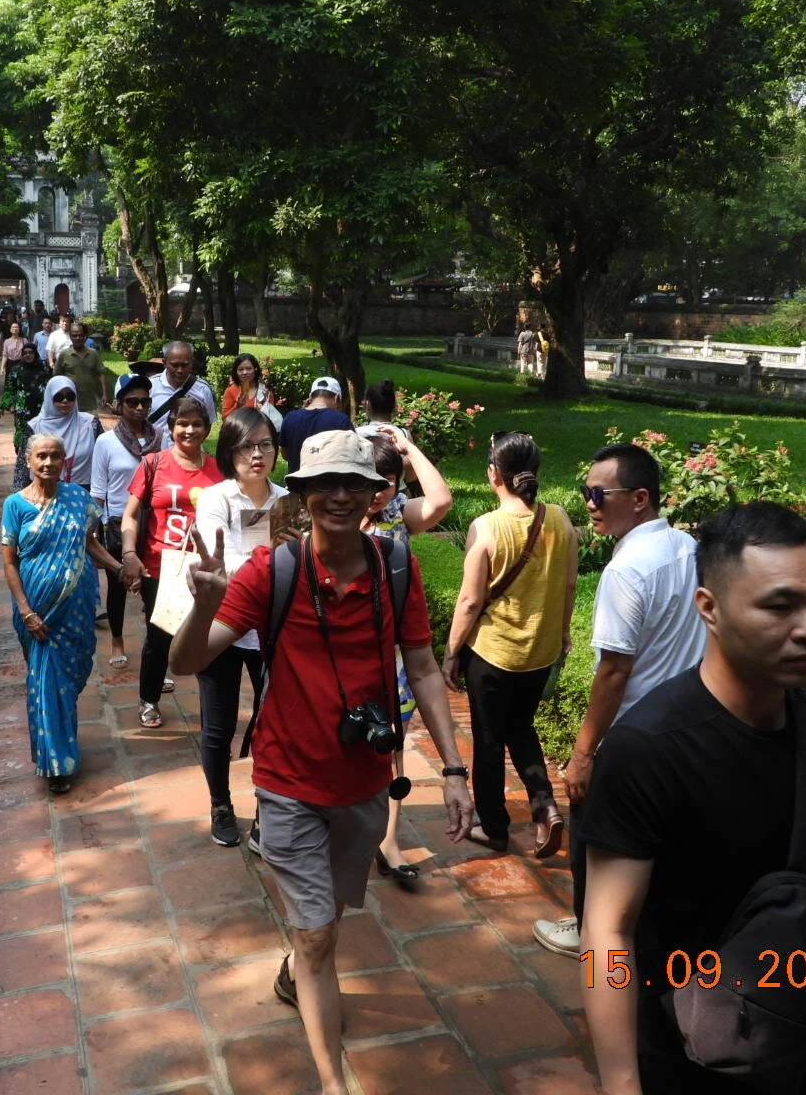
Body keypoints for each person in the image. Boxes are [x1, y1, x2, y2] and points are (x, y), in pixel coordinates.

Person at [168, 430, 475, 1095]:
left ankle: (296, 970)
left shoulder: (397, 567)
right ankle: (334, 1082)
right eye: (323, 484)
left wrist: (454, 769)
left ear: (375, 495)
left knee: (326, 925)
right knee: (317, 938)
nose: (339, 495)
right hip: (287, 784)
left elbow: (421, 664)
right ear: (303, 496)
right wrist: (205, 603)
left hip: (364, 784)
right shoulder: (271, 573)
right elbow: (186, 662)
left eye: (353, 483)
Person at [581, 501, 806, 1095]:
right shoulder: (647, 748)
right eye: (780, 606)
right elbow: (608, 928)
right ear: (708, 609)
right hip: (692, 1042)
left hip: (802, 1018)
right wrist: (620, 1081)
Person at [533, 442, 707, 958]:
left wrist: (583, 753)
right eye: (585, 493)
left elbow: (613, 670)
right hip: (687, 724)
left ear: (639, 498)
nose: (588, 503)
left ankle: (593, 932)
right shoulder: (688, 547)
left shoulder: (626, 570)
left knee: (595, 831)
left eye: (597, 494)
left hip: (633, 735)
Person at [441, 431, 576, 856]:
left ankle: (495, 829)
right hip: (540, 652)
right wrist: (563, 631)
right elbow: (570, 585)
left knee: (488, 740)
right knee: (522, 728)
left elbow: (469, 601)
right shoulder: (561, 519)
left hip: (494, 653)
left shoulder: (486, 527)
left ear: (492, 475)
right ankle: (546, 808)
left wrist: (449, 653)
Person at [1, 433, 127, 795]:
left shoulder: (77, 497)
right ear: (28, 461)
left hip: (77, 604)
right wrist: (26, 610)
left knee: (67, 683)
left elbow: (90, 544)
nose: (48, 463)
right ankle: (55, 764)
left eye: (55, 456)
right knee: (45, 682)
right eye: (41, 456)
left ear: (64, 461)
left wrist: (119, 570)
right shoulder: (15, 505)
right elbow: (9, 563)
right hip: (37, 611)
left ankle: (62, 741)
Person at [186, 408, 289, 847]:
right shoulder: (217, 499)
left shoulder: (286, 499)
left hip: (272, 628)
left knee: (276, 722)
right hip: (224, 627)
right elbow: (217, 565)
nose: (257, 454)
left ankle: (271, 808)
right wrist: (269, 557)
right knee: (219, 725)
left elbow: (295, 563)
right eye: (248, 445)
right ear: (231, 451)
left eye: (266, 444)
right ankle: (221, 804)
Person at [361, 430, 452, 882]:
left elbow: (440, 502)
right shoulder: (335, 513)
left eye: (389, 481)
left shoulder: (398, 514)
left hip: (393, 653)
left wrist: (409, 446)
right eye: (371, 481)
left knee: (392, 740)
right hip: (343, 651)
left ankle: (389, 839)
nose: (379, 492)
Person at [119, 395, 223, 727]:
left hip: (203, 568)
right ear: (171, 426)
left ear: (207, 428)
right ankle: (149, 699)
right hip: (161, 566)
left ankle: (213, 705)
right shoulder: (154, 464)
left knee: (207, 636)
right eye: (182, 423)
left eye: (196, 424)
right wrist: (129, 553)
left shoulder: (219, 470)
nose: (189, 430)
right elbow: (130, 516)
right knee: (159, 635)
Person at [90, 373, 159, 670]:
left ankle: (154, 648)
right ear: (119, 405)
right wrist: (96, 532)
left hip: (154, 520)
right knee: (118, 586)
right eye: (132, 402)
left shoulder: (161, 438)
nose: (139, 408)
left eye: (144, 401)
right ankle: (117, 639)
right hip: (118, 522)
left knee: (153, 589)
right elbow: (98, 492)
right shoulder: (106, 442)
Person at [27, 376, 100, 487]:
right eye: (59, 397)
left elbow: (103, 459)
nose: (65, 401)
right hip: (45, 490)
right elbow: (23, 469)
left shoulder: (90, 423)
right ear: (49, 397)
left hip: (83, 491)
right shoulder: (35, 426)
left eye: (70, 396)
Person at [147, 341, 218, 443]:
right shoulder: (150, 386)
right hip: (156, 454)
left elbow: (208, 424)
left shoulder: (203, 389)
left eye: (185, 365)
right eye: (175, 365)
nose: (180, 370)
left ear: (192, 362)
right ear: (164, 362)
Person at [0, 349, 48, 489]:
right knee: (22, 437)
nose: (28, 355)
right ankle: (24, 464)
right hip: (22, 410)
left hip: (40, 409)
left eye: (31, 352)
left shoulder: (43, 368)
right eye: (25, 353)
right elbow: (9, 388)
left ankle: (39, 464)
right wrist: (4, 405)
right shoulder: (16, 369)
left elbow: (50, 387)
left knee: (40, 437)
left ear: (35, 354)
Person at [279, 377, 352, 470]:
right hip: (329, 482)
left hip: (295, 482)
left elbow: (285, 455)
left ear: (310, 397)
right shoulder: (341, 420)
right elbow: (350, 456)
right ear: (337, 398)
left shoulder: (290, 417)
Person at [53, 319, 111, 412]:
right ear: (70, 337)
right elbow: (56, 376)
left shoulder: (93, 353)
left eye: (80, 335)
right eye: (74, 336)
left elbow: (101, 373)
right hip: (69, 402)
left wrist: (104, 394)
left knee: (90, 425)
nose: (78, 338)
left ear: (85, 336)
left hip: (91, 402)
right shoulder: (64, 354)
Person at [219, 352, 280, 424]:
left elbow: (271, 420)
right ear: (236, 372)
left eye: (248, 368)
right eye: (240, 369)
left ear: (255, 370)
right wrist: (237, 406)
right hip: (238, 432)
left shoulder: (264, 390)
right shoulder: (230, 391)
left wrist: (267, 404)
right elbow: (225, 419)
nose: (244, 372)